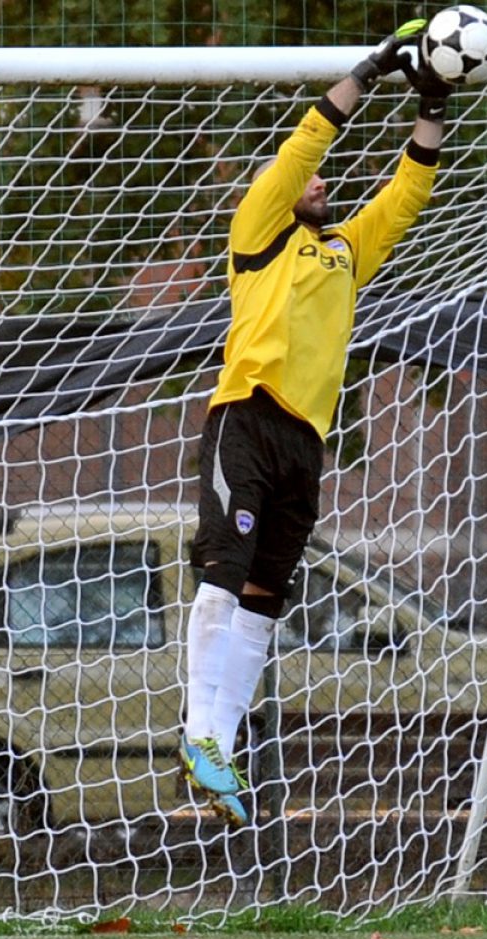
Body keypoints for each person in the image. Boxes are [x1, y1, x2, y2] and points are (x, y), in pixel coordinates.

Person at [180, 22, 451, 828]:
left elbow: (406, 195)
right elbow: (302, 148)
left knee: (267, 596)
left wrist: (431, 102)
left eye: (326, 178)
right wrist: (369, 72)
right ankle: (198, 729)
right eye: (312, 178)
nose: (322, 181)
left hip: (307, 442)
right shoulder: (259, 230)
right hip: (247, 420)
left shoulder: (342, 249)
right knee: (225, 573)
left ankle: (218, 744)